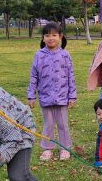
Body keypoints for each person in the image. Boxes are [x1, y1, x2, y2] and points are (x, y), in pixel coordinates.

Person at [27, 22, 76, 161]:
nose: (51, 38)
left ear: (60, 37)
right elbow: (33, 76)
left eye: (54, 35)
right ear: (43, 38)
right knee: (48, 124)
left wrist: (72, 96)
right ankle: (48, 149)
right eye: (47, 35)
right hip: (45, 97)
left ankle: (65, 148)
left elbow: (71, 76)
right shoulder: (39, 55)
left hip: (62, 98)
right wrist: (31, 96)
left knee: (62, 124)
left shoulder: (65, 55)